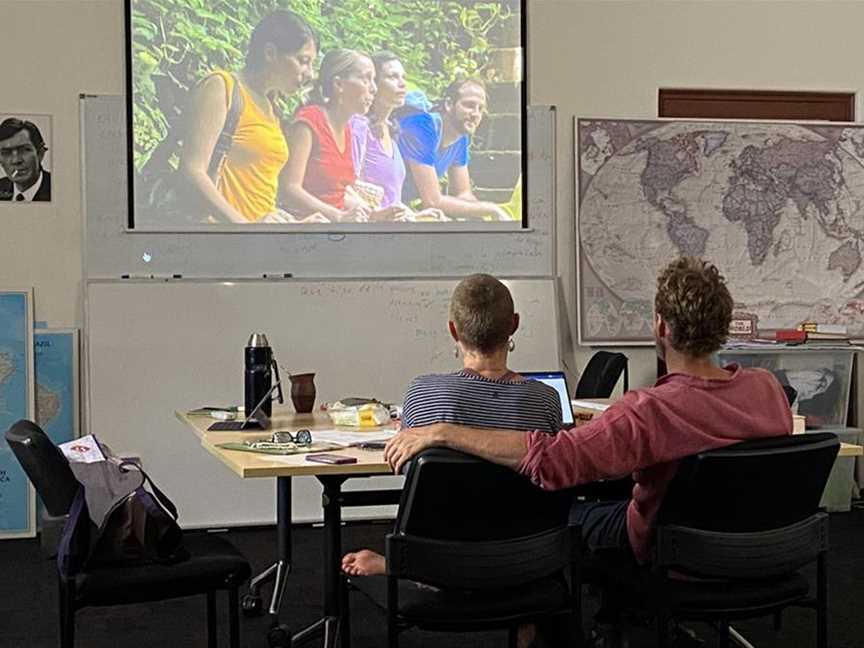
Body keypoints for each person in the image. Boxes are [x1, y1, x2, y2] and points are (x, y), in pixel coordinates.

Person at [384, 257, 793, 568]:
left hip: (667, 551)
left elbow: (551, 461)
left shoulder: (647, 412)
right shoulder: (767, 389)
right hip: (758, 548)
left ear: (661, 327)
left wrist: (443, 432)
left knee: (568, 515)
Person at [341, 273, 562, 578]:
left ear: (453, 330)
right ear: (514, 324)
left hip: (437, 560)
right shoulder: (546, 400)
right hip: (524, 560)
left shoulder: (422, 393)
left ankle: (403, 564)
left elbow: (404, 464)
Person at [179, 10, 326, 224]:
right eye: (303, 60)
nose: (310, 73)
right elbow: (193, 170)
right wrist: (246, 229)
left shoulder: (272, 108)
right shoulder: (222, 87)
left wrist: (294, 227)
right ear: (270, 53)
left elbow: (258, 191)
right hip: (220, 238)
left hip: (258, 242)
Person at [281, 49, 398, 223]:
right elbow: (290, 188)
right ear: (339, 85)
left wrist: (375, 215)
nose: (373, 89)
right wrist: (338, 216)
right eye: (366, 79)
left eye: (373, 80)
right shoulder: (309, 121)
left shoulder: (347, 129)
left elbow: (336, 194)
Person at [349, 51, 447, 222]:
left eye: (403, 77)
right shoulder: (358, 126)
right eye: (392, 77)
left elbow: (391, 198)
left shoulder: (392, 130)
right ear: (374, 83)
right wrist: (379, 214)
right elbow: (346, 186)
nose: (402, 84)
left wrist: (414, 214)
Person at [398, 78, 510, 221]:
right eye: (469, 105)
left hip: (402, 206)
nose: (475, 114)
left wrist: (484, 217)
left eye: (480, 108)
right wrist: (492, 209)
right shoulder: (423, 126)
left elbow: (462, 194)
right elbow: (432, 201)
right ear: (449, 104)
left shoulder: (460, 137)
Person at [0, 118, 51, 202]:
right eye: (6, 153)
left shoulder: (57, 188)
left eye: (24, 150)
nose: (16, 160)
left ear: (40, 153)